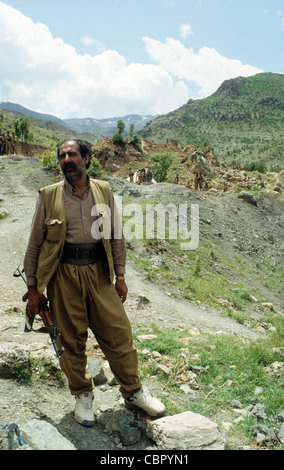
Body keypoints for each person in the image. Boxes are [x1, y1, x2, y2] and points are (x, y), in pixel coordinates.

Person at [23, 139, 166, 427]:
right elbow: (35, 244)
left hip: (99, 273)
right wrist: (33, 288)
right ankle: (82, 396)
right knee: (70, 338)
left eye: (72, 154)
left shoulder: (103, 189)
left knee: (118, 333)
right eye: (62, 156)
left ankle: (134, 391)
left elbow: (115, 234)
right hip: (63, 275)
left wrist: (121, 276)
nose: (66, 160)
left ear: (86, 158)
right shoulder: (48, 195)